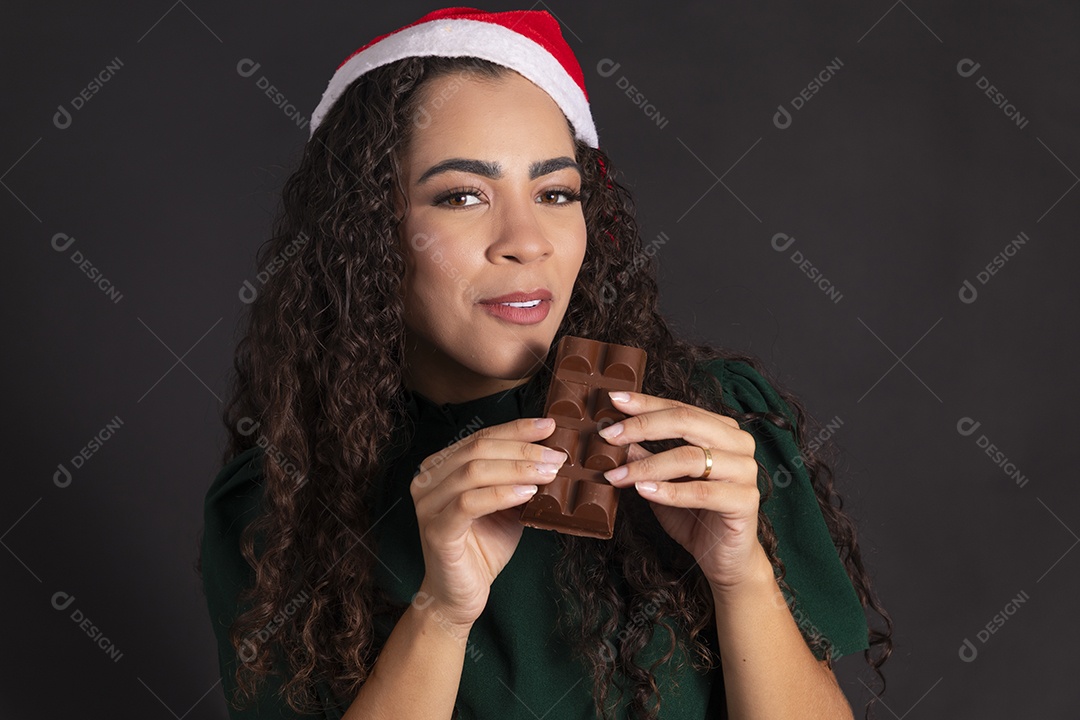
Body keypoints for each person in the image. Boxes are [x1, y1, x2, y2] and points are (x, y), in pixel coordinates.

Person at [197, 7, 893, 720]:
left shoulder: (708, 431)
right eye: (462, 196)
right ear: (365, 233)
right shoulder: (279, 507)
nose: (526, 241)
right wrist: (441, 611)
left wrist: (741, 575)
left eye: (555, 193)